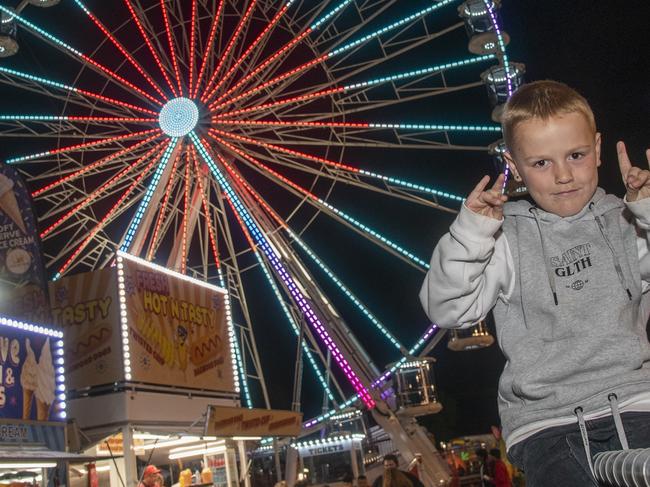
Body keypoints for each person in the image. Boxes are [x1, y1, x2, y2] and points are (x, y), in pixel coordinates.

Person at [419, 80, 650, 486]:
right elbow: (449, 309)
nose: (563, 175)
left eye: (576, 155)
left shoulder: (624, 220)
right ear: (514, 165)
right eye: (541, 163)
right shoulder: (506, 238)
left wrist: (646, 212)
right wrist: (472, 234)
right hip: (547, 423)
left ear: (597, 149)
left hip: (636, 402)